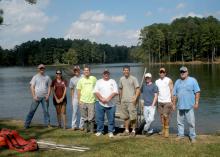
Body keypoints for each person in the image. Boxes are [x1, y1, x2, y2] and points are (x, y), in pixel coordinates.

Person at [173, 66, 200, 143]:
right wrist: (174, 104)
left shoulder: (193, 80)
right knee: (180, 122)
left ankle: (192, 136)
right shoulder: (177, 82)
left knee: (191, 123)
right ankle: (180, 135)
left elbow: (197, 92)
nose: (182, 73)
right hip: (180, 106)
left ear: (187, 72)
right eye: (181, 72)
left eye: (184, 71)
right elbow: (174, 94)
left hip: (190, 106)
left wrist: (196, 103)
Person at [24, 64, 52, 129]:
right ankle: (26, 124)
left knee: (46, 111)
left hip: (45, 97)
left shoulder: (47, 77)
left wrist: (48, 95)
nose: (42, 69)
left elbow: (49, 87)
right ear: (38, 69)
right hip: (37, 97)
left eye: (43, 68)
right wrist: (34, 96)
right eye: (40, 68)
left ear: (44, 69)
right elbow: (32, 87)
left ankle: (47, 124)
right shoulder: (35, 77)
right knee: (32, 110)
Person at [94, 69, 118, 138]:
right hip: (100, 103)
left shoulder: (112, 81)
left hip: (111, 104)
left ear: (109, 74)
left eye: (107, 73)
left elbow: (115, 92)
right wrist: (101, 99)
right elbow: (96, 92)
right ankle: (100, 131)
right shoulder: (98, 81)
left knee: (111, 119)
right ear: (103, 74)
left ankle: (110, 131)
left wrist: (108, 99)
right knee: (100, 118)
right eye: (105, 73)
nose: (106, 75)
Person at [119, 65, 140, 136]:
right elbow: (120, 89)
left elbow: (137, 89)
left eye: (127, 70)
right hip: (124, 101)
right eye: (124, 70)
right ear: (123, 71)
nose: (126, 71)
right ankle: (126, 130)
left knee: (133, 116)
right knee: (125, 117)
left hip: (131, 101)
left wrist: (135, 98)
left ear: (129, 71)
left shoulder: (134, 79)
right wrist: (121, 99)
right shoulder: (121, 79)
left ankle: (133, 131)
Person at [77, 65, 97, 133]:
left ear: (90, 71)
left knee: (91, 117)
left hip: (91, 101)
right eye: (85, 71)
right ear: (83, 71)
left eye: (87, 70)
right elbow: (79, 91)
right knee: (84, 116)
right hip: (83, 101)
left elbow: (97, 87)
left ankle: (91, 130)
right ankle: (86, 129)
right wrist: (79, 100)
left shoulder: (93, 78)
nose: (86, 72)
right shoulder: (81, 80)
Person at [155, 67, 174, 137]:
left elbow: (172, 90)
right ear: (159, 73)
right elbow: (156, 92)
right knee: (161, 116)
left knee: (166, 116)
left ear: (165, 73)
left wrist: (172, 101)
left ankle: (167, 130)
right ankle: (163, 129)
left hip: (167, 101)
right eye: (161, 72)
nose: (162, 73)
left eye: (163, 72)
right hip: (159, 101)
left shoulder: (169, 80)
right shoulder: (157, 81)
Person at [69, 65, 84, 131]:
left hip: (82, 98)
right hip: (75, 98)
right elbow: (71, 90)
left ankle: (81, 126)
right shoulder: (72, 79)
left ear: (79, 70)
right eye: (75, 70)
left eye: (77, 70)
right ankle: (73, 126)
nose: (76, 71)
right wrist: (72, 100)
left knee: (82, 113)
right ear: (74, 71)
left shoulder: (83, 77)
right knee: (74, 112)